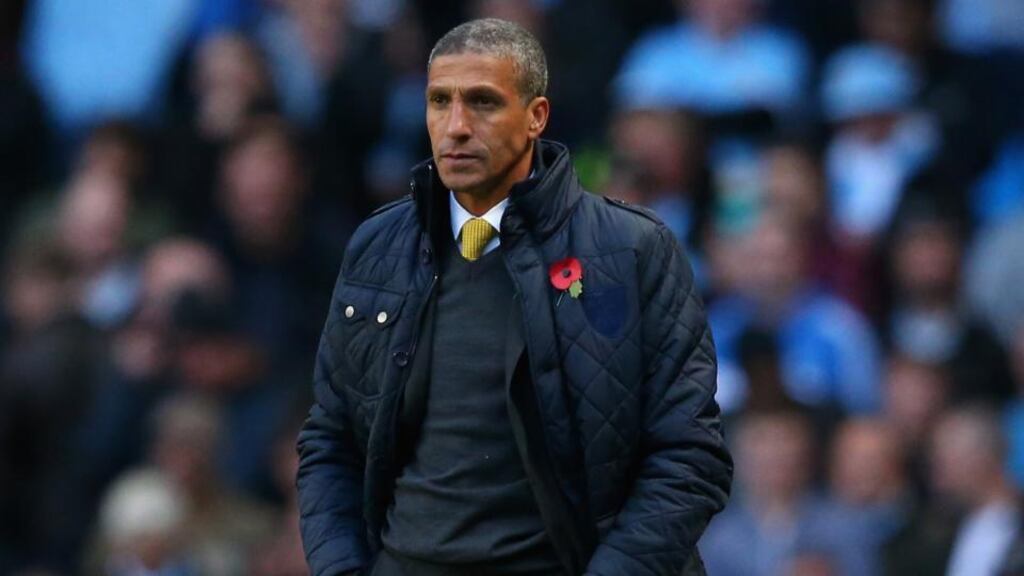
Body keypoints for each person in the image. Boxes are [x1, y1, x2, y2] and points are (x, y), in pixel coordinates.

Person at [296, 18, 733, 576]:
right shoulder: (377, 245)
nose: (455, 126)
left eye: (482, 102)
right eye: (439, 101)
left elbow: (689, 456)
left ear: (536, 117)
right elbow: (331, 440)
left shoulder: (633, 251)